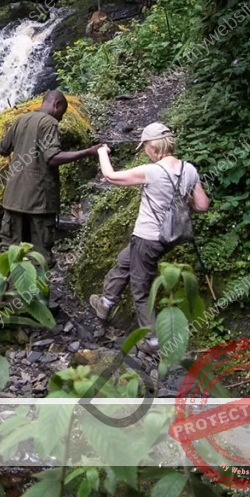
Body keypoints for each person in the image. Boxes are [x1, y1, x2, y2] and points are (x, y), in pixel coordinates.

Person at [89, 122, 210, 353]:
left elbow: (110, 176)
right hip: (170, 237)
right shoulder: (189, 169)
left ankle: (152, 341)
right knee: (125, 260)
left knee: (140, 287)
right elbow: (202, 205)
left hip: (148, 238)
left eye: (145, 147)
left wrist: (102, 152)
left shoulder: (151, 172)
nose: (145, 152)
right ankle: (105, 304)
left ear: (153, 147)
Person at [0, 90, 101, 267]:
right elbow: (53, 158)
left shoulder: (21, 119)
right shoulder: (49, 123)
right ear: (56, 105)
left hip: (13, 196)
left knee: (9, 252)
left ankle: (5, 290)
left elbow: (2, 148)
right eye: (62, 114)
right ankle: (34, 292)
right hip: (39, 198)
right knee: (39, 256)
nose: (60, 119)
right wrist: (88, 152)